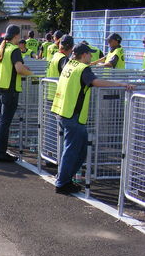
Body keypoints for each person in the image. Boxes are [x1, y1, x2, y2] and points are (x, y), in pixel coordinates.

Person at [51, 43, 133, 194]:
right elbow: (95, 82)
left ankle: (65, 180)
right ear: (84, 55)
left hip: (64, 112)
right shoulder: (83, 68)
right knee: (72, 150)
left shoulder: (70, 64)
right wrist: (121, 85)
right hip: (72, 115)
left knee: (79, 150)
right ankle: (62, 183)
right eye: (89, 54)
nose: (91, 56)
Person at [0, 24, 33, 162]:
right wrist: (31, 73)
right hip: (10, 89)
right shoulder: (14, 49)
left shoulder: (0, 49)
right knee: (5, 122)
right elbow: (19, 69)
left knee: (1, 121)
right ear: (16, 36)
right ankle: (1, 152)